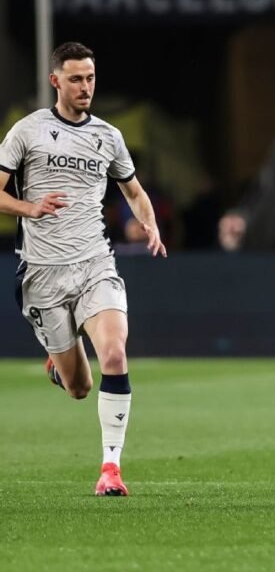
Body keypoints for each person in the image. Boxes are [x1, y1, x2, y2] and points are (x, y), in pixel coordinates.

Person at [0, 42, 167, 496]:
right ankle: (61, 364)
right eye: (75, 78)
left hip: (95, 263)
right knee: (78, 387)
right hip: (42, 273)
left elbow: (133, 191)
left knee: (114, 354)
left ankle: (111, 468)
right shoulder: (28, 131)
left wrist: (150, 224)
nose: (85, 87)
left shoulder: (108, 136)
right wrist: (29, 208)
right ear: (55, 81)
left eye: (90, 78)